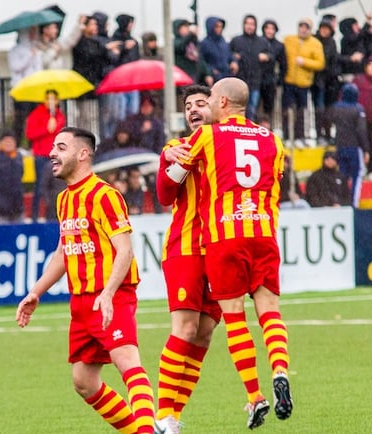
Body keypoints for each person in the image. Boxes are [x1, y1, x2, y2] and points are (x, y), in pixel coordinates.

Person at [16, 127, 158, 434]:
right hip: (81, 302)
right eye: (53, 147)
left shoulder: (105, 196)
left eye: (61, 147)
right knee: (84, 381)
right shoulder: (64, 199)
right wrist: (36, 292)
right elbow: (63, 253)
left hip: (111, 296)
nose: (52, 153)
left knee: (128, 363)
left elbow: (125, 250)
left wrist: (108, 293)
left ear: (83, 154)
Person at [170, 78, 292, 428]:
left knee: (235, 318)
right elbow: (276, 181)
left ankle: (255, 395)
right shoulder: (273, 140)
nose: (206, 104)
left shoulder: (207, 136)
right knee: (270, 312)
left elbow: (174, 176)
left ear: (222, 102)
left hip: (225, 236)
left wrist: (169, 155)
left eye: (209, 98)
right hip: (263, 233)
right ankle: (280, 370)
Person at [153, 84, 224, 433]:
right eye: (188, 106)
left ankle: (173, 417)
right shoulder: (176, 147)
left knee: (205, 333)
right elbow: (165, 195)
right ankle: (163, 416)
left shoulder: (228, 146)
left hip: (221, 249)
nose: (193, 109)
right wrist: (173, 160)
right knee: (184, 328)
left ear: (218, 107)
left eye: (200, 103)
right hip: (186, 247)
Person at [282, 18, 325, 147]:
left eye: (306, 28)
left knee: (301, 112)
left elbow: (320, 63)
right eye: (301, 27)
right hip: (289, 81)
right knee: (287, 110)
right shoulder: (289, 39)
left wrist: (305, 62)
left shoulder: (315, 43)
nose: (303, 30)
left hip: (304, 83)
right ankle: (287, 136)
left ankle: (299, 137)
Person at [26, 89, 66, 222]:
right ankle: (35, 216)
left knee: (58, 185)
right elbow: (30, 134)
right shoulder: (36, 114)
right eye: (48, 99)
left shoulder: (59, 116)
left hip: (55, 156)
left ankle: (55, 213)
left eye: (54, 99)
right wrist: (45, 128)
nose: (51, 102)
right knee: (40, 186)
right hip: (41, 156)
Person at [330, 83, 368, 206]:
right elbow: (361, 130)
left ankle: (342, 200)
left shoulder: (336, 107)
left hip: (340, 146)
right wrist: (366, 149)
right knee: (357, 175)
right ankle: (353, 203)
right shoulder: (358, 109)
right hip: (354, 146)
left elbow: (329, 120)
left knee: (342, 175)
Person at [0, 130, 25, 223]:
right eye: (6, 141)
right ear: (0, 143)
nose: (9, 144)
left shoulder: (18, 157)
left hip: (17, 208)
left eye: (11, 141)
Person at [312, 16, 340, 145]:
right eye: (323, 28)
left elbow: (333, 60)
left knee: (329, 110)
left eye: (327, 29)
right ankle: (319, 134)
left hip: (330, 81)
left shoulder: (332, 42)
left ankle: (328, 134)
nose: (324, 31)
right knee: (319, 109)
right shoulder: (314, 41)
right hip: (318, 81)